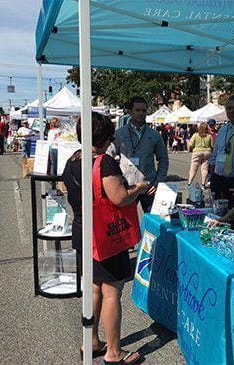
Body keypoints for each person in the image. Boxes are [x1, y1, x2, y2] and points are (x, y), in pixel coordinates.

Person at [62, 112, 146, 364]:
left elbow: (69, 191)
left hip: (82, 231)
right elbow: (119, 197)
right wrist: (137, 189)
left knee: (94, 288)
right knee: (112, 292)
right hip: (106, 234)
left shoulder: (72, 160)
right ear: (105, 138)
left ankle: (91, 341)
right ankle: (114, 352)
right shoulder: (104, 163)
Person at [107, 96, 169, 213]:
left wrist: (158, 182)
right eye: (137, 110)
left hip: (149, 187)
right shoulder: (119, 134)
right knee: (126, 223)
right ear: (130, 112)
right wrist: (115, 183)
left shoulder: (154, 135)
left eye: (144, 111)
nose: (141, 113)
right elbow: (108, 157)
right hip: (127, 188)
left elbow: (163, 159)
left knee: (153, 223)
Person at [187, 122, 214, 189]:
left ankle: (189, 183)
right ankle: (203, 184)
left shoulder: (195, 135)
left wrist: (189, 148)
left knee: (193, 168)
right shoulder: (209, 136)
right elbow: (212, 145)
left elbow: (191, 144)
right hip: (207, 152)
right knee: (205, 169)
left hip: (197, 152)